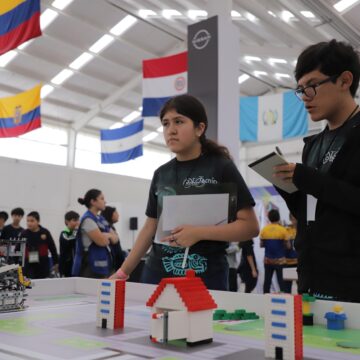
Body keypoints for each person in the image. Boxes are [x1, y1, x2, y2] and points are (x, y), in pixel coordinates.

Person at [111, 94, 259, 290]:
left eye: (179, 122)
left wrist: (198, 233)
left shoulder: (221, 168)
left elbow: (250, 227)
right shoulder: (161, 174)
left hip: (206, 279)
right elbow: (150, 228)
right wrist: (122, 273)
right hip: (157, 276)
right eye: (165, 124)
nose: (171, 130)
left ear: (200, 128)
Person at [274, 39, 360, 302]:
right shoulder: (313, 145)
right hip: (311, 274)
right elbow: (311, 212)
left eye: (311, 86)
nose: (305, 99)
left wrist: (310, 179)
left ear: (345, 80)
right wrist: (289, 189)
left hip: (352, 280)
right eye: (300, 90)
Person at [72, 189, 119, 278]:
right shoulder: (88, 220)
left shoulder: (100, 218)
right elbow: (102, 242)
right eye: (102, 198)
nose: (105, 201)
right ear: (93, 201)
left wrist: (108, 235)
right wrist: (110, 237)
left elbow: (116, 239)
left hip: (102, 269)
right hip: (90, 269)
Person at [260, 209, 289, 294]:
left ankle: (265, 298)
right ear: (278, 217)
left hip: (268, 260)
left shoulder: (264, 230)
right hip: (280, 261)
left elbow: (261, 245)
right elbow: (288, 246)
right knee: (281, 282)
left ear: (269, 218)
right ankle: (284, 299)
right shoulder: (283, 230)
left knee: (267, 281)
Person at [23, 211, 59, 279]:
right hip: (28, 266)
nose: (29, 223)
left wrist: (56, 262)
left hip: (43, 264)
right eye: (27, 221)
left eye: (32, 221)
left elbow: (52, 248)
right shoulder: (24, 234)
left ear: (38, 221)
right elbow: (18, 250)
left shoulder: (45, 232)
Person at [101, 206, 126, 270]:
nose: (118, 215)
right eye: (116, 213)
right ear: (110, 214)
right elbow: (114, 242)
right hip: (113, 264)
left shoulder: (111, 227)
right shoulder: (105, 228)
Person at [59, 211, 80, 277]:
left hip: (76, 265)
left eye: (78, 220)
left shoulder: (78, 233)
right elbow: (69, 240)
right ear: (67, 222)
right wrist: (76, 230)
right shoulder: (64, 233)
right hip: (66, 266)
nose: (77, 222)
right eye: (74, 220)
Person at [283, 213, 298, 293]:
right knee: (286, 288)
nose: (294, 220)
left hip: (299, 262)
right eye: (292, 218)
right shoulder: (286, 230)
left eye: (295, 217)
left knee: (301, 288)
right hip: (288, 261)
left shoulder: (302, 229)